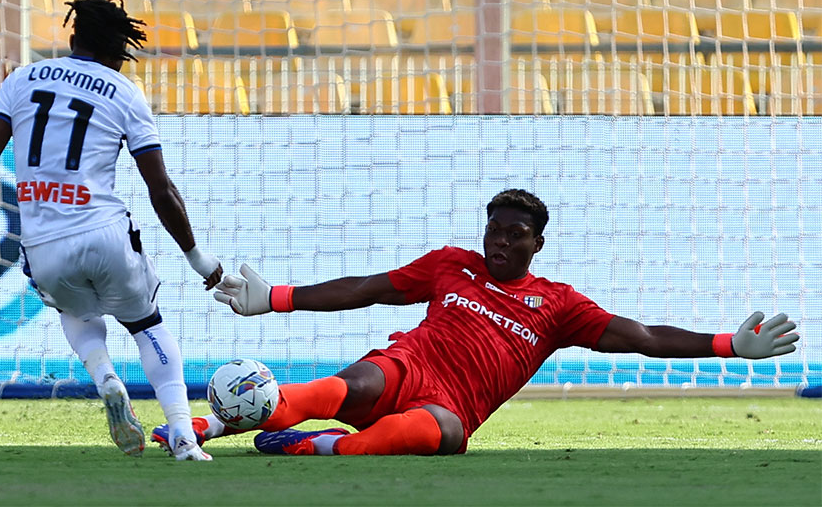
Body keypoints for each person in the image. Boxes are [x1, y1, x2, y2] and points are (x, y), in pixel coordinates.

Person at [154, 189, 800, 456]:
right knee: (338, 388)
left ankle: (308, 446)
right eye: (494, 230)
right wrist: (277, 297)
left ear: (536, 244)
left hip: (452, 407)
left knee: (420, 434)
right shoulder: (451, 265)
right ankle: (199, 426)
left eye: (514, 234)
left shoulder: (559, 305)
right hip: (406, 365)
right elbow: (370, 289)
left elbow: (644, 338)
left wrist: (728, 344)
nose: (499, 242)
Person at [0, 0, 222, 461]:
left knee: (73, 310)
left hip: (43, 245)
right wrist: (197, 256)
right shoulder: (123, 91)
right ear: (119, 54)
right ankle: (182, 433)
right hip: (106, 234)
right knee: (146, 324)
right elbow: (160, 188)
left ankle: (104, 376)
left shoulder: (21, 79)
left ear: (73, 38)